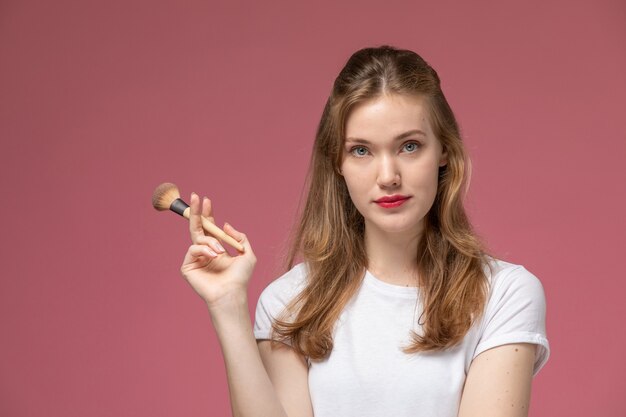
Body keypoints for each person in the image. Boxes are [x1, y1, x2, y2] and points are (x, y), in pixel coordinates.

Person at [180, 45, 550, 417]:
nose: (388, 176)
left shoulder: (504, 294)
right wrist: (227, 306)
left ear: (444, 151)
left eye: (409, 146)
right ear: (337, 162)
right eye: (361, 151)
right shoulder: (289, 304)